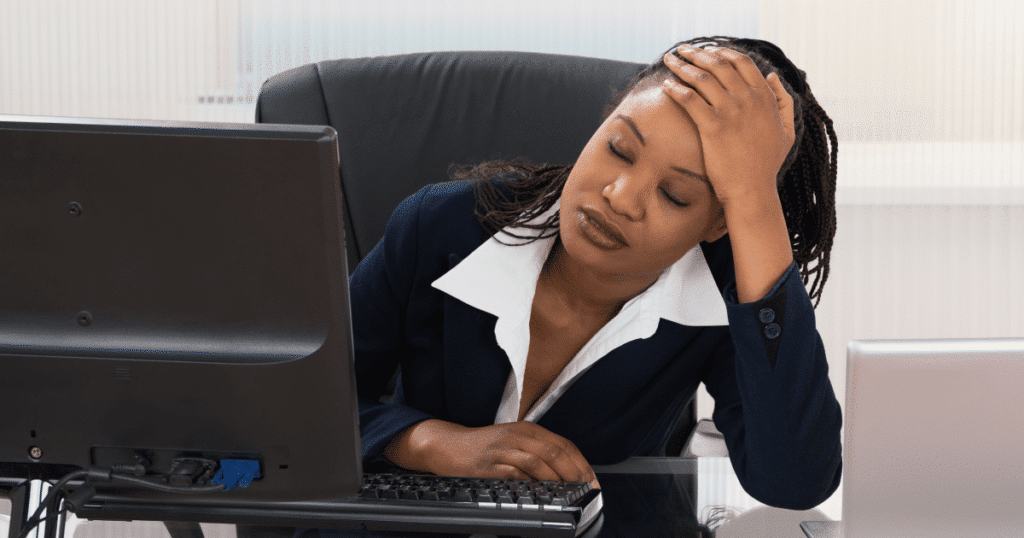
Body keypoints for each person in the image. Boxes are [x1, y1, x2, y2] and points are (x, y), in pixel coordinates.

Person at [350, 36, 842, 511]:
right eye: (620, 149)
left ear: (719, 222)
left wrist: (754, 199)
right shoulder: (440, 227)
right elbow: (297, 407)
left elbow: (795, 482)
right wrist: (429, 443)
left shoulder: (721, 297)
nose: (621, 197)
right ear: (603, 121)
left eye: (675, 195)